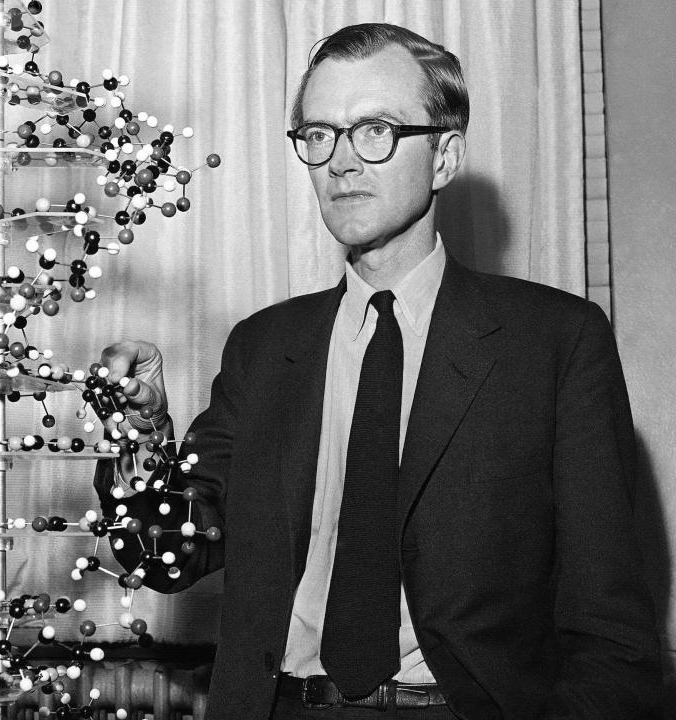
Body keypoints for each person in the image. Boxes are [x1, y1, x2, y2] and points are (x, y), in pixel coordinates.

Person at [93, 23, 661, 720]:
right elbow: (167, 560)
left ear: (445, 156)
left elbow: (611, 629)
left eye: (376, 131)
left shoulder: (554, 343)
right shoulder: (264, 348)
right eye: (320, 134)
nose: (342, 162)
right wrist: (142, 436)